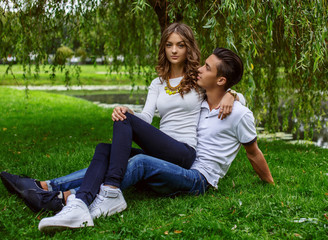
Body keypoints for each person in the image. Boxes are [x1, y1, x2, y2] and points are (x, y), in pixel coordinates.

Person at [1, 47, 274, 233]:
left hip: (199, 178)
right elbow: (224, 90)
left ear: (221, 79)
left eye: (207, 67)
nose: (200, 69)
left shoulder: (238, 112)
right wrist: (231, 93)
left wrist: (269, 184)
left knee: (140, 161)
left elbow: (253, 153)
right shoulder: (203, 101)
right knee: (108, 149)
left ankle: (68, 198)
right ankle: (47, 187)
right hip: (180, 161)